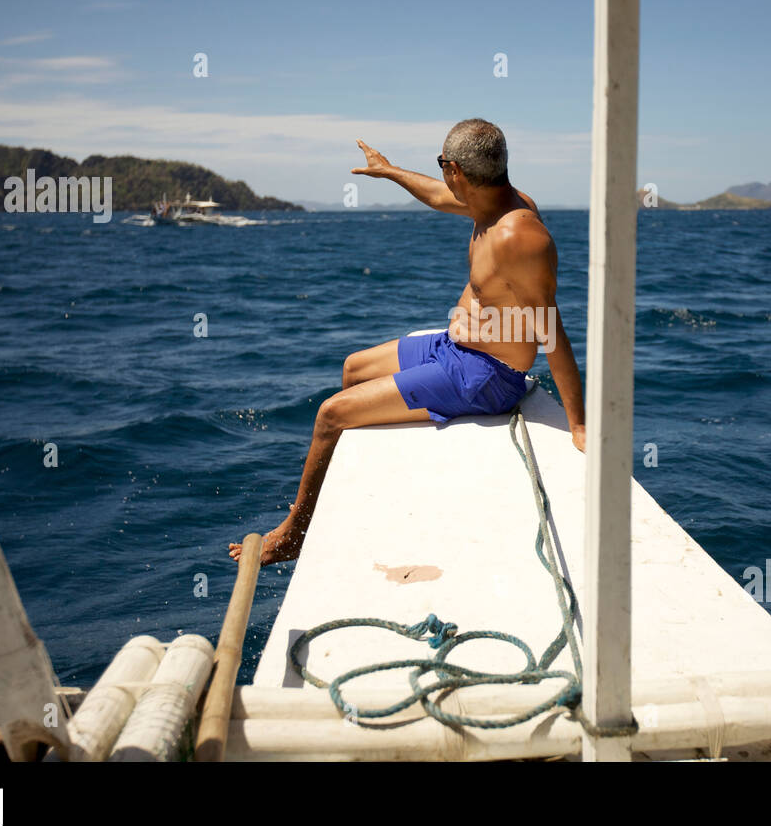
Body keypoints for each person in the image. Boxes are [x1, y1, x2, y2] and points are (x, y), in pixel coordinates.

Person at [229, 118, 586, 567]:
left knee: (330, 414)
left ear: (455, 169)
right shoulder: (487, 203)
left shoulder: (518, 236)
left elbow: (551, 330)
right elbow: (437, 197)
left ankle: (294, 534)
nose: (441, 177)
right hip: (454, 347)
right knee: (354, 368)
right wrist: (390, 170)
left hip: (485, 375)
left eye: (441, 166)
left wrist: (579, 425)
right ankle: (338, 491)